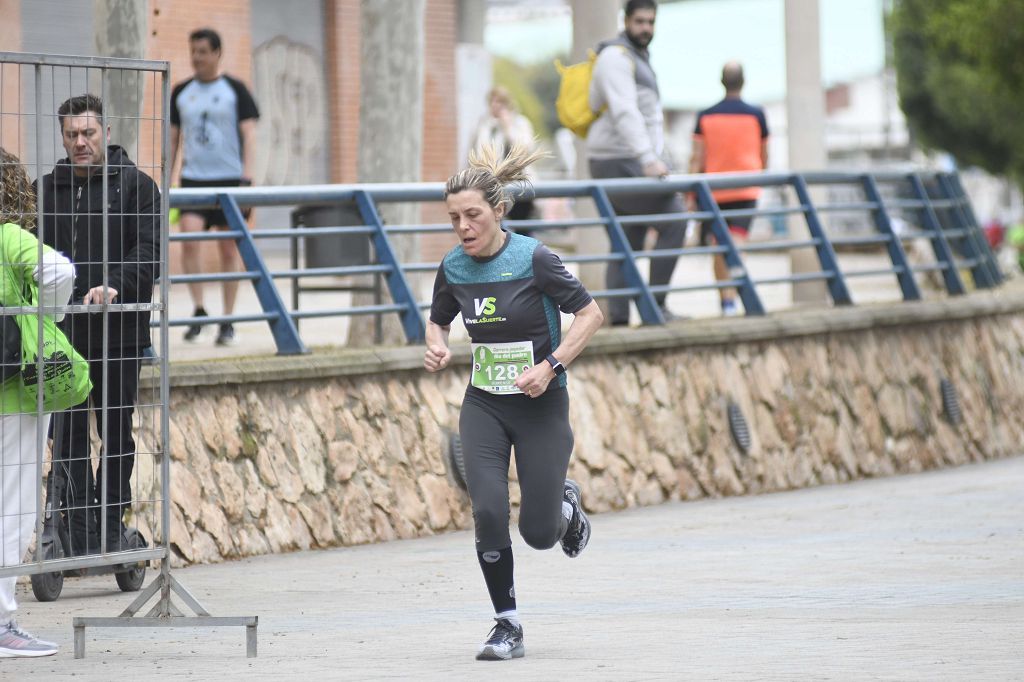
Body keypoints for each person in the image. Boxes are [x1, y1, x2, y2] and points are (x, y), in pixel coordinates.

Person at [425, 143, 604, 661]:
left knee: (539, 534)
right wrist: (436, 342)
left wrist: (551, 367)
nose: (463, 226)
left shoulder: (535, 259)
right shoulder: (454, 267)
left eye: (473, 215)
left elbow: (590, 315)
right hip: (485, 404)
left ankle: (564, 510)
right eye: (454, 217)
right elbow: (439, 318)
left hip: (541, 406)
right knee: (486, 507)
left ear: (498, 211)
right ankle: (507, 624)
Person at [37, 94, 160, 555]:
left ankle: (110, 524)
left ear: (105, 133)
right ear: (63, 137)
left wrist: (113, 285)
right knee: (63, 432)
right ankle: (78, 525)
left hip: (119, 332)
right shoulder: (46, 189)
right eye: (72, 135)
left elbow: (150, 254)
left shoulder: (136, 187)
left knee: (115, 429)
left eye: (88, 133)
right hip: (62, 334)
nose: (81, 142)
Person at [0, 147, 75, 656]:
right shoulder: (9, 236)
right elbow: (61, 272)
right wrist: (45, 316)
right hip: (14, 394)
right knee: (13, 505)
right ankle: (2, 620)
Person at [587, 0, 685, 326]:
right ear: (625, 20)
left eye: (651, 22)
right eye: (640, 21)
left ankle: (618, 319)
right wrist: (647, 159)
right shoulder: (616, 57)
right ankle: (655, 307)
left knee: (626, 238)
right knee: (675, 218)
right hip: (620, 160)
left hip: (623, 159)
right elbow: (625, 111)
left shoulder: (637, 57)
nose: (646, 28)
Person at [170, 27, 260, 346]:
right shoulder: (181, 91)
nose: (197, 57)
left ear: (217, 53)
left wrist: (247, 181)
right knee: (190, 242)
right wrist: (168, 182)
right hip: (193, 180)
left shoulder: (235, 89)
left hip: (230, 182)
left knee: (227, 248)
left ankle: (228, 318)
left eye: (203, 51)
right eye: (193, 51)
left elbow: (250, 136)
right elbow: (173, 139)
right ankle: (198, 310)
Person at [688, 62, 769, 316]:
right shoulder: (756, 115)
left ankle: (727, 301)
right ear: (743, 82)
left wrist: (691, 194)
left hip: (714, 192)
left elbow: (696, 158)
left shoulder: (705, 115)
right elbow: (765, 154)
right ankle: (735, 296)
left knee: (719, 246)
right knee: (737, 244)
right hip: (746, 189)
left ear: (721, 81)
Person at [470, 87, 538, 235]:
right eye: (492, 102)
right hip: (491, 185)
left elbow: (525, 151)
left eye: (500, 101)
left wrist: (508, 128)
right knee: (493, 230)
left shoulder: (520, 123)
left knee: (523, 231)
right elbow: (475, 154)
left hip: (519, 185)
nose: (496, 106)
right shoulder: (484, 126)